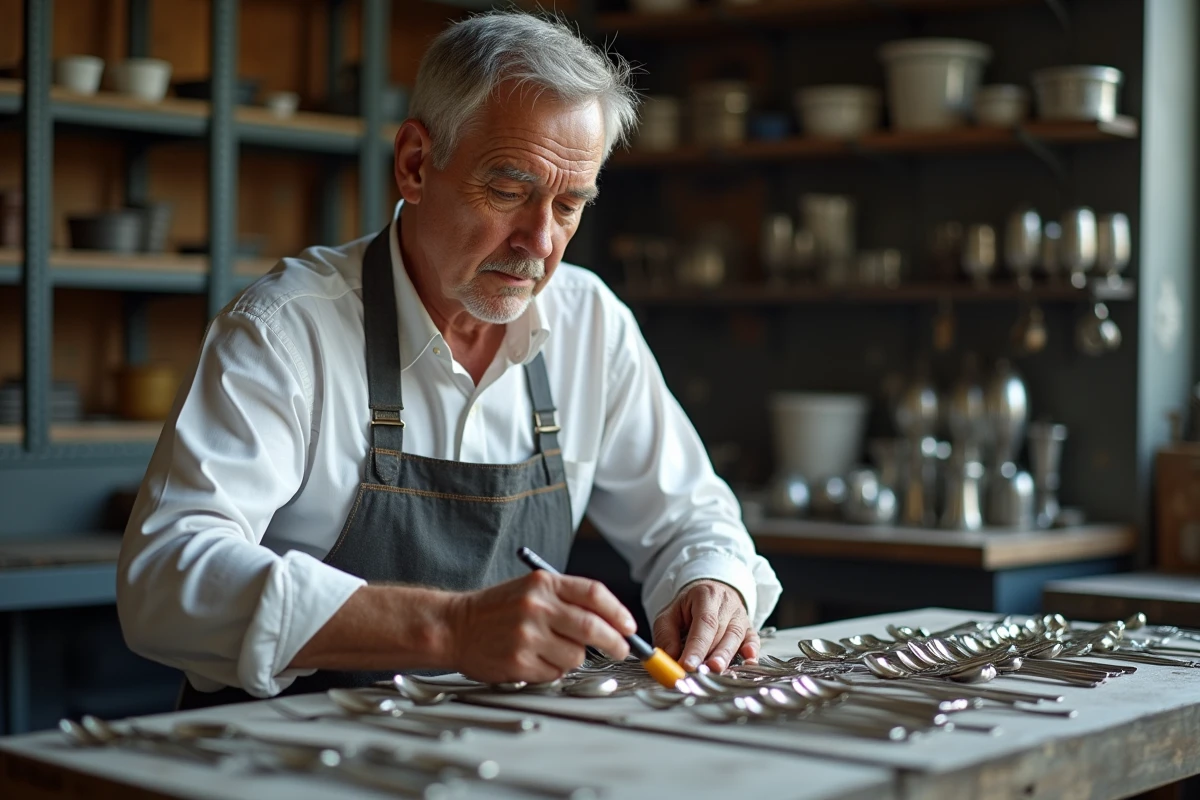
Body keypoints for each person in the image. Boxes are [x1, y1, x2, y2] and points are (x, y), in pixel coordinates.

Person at [117, 10, 781, 707]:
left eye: (567, 206)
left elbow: (689, 517)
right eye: (509, 190)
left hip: (495, 753)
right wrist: (450, 626)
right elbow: (164, 578)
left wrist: (714, 581)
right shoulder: (287, 330)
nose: (539, 242)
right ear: (414, 165)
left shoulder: (590, 326)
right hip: (286, 757)